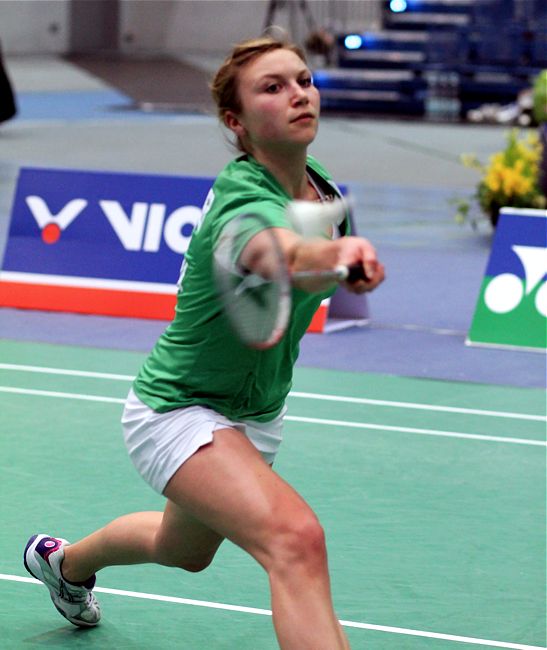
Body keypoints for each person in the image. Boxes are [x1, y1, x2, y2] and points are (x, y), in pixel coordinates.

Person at [23, 36, 385, 649]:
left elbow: (303, 270)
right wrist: (330, 253)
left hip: (254, 416)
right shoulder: (241, 201)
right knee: (296, 540)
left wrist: (340, 263)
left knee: (182, 551)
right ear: (235, 121)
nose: (297, 94)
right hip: (179, 409)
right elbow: (272, 249)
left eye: (303, 79)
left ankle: (63, 564)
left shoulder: (324, 193)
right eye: (273, 87)